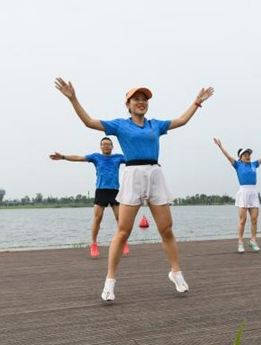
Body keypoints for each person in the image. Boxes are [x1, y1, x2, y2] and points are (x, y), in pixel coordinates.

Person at [54, 78, 214, 301]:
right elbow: (89, 122)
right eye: (136, 99)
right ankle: (110, 281)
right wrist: (73, 98)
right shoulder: (120, 125)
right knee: (123, 231)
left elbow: (182, 120)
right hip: (132, 175)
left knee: (166, 229)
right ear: (128, 104)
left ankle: (176, 272)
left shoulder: (155, 125)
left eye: (144, 99)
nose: (141, 102)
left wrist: (197, 102)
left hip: (154, 174)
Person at [49, 137, 129, 258]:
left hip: (115, 191)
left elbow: (135, 160)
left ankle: (123, 241)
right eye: (104, 144)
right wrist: (63, 157)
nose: (106, 146)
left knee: (120, 218)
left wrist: (151, 163)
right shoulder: (96, 157)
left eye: (109, 144)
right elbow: (79, 158)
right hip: (101, 191)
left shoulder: (118, 157)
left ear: (112, 147)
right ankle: (94, 244)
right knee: (98, 218)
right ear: (100, 146)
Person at [213, 138, 261, 253]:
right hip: (243, 192)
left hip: (253, 192)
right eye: (245, 155)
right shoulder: (237, 165)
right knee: (242, 220)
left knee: (254, 219)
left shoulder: (254, 164)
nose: (248, 156)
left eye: (248, 154)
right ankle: (240, 242)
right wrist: (220, 146)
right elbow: (228, 156)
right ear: (240, 157)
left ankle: (253, 241)